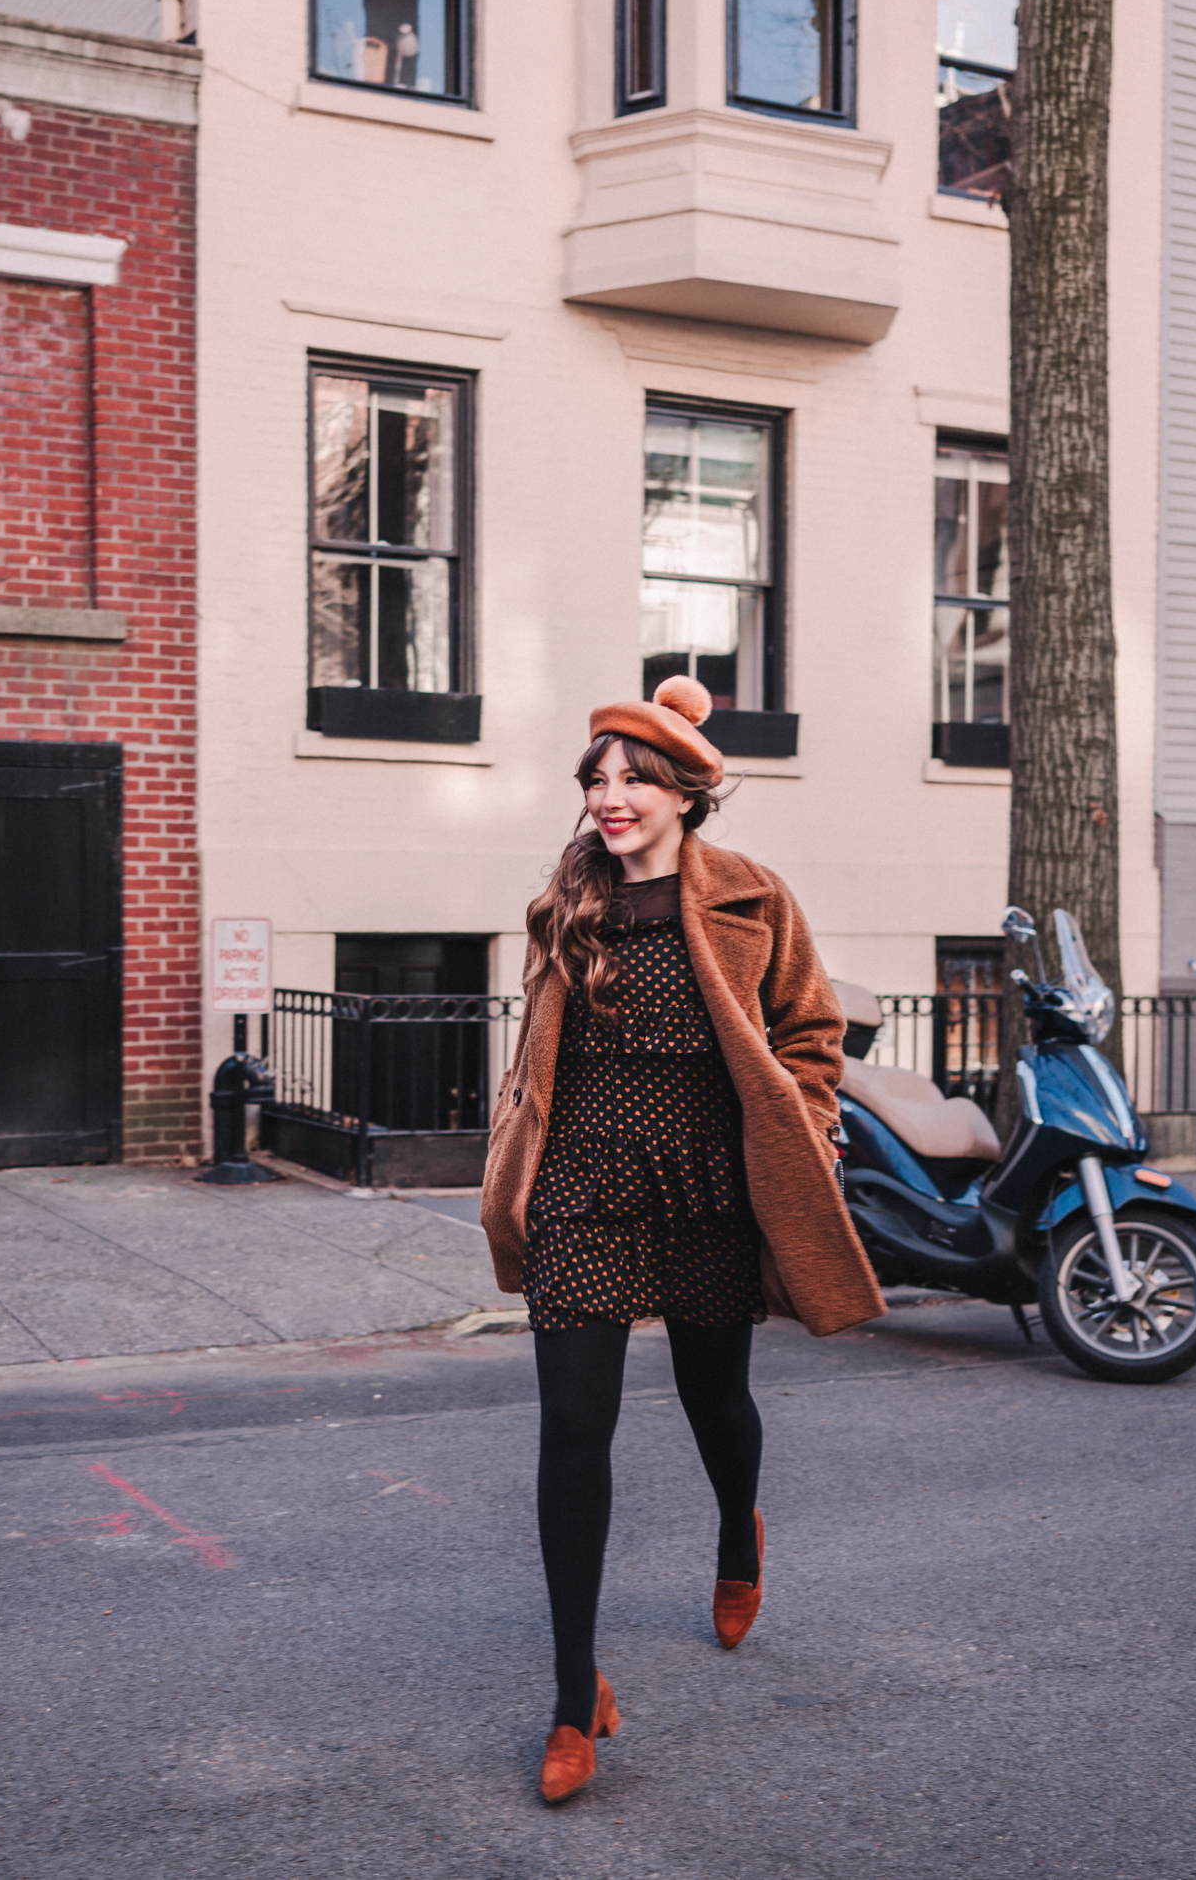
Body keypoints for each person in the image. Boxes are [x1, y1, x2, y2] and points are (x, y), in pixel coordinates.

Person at [481, 676, 884, 1805]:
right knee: (571, 1431)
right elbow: (540, 1048)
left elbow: (810, 1028)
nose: (608, 798)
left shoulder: (754, 896)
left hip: (709, 1186)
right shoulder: (568, 901)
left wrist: (803, 1121)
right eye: (595, 781)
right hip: (583, 1187)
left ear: (683, 793)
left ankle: (736, 1534)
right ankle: (573, 1700)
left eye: (630, 780)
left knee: (716, 1400)